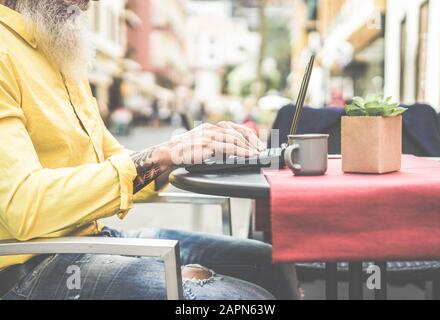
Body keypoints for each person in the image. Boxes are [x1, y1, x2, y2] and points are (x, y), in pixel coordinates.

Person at [0, 0, 300, 300]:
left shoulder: (57, 51)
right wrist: (165, 153)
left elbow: (116, 160)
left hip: (88, 242)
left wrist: (192, 152)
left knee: (267, 261)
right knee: (244, 302)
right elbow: (25, 207)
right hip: (30, 268)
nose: (87, 4)